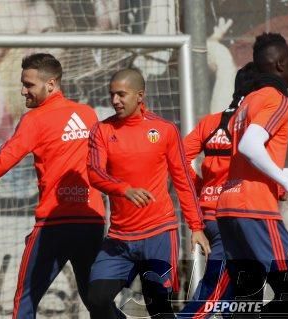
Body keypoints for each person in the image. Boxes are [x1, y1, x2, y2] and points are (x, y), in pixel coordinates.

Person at [0, 53, 107, 319]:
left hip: (53, 226)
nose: (23, 91)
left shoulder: (35, 120)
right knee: (98, 304)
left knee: (25, 304)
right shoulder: (87, 114)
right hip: (91, 222)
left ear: (51, 84)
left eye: (29, 85)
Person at [215, 32, 288, 317]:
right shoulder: (276, 98)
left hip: (231, 207)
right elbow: (249, 147)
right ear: (280, 65)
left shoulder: (248, 102)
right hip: (256, 209)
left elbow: (253, 161)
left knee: (247, 298)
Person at [85, 68, 211, 319]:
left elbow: (183, 181)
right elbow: (94, 172)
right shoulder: (102, 130)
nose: (115, 101)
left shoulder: (164, 130)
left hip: (159, 235)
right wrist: (124, 189)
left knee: (158, 307)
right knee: (96, 300)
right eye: (112, 95)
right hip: (119, 239)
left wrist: (196, 226)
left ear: (140, 95)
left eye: (121, 94)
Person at [179, 62, 259, 318]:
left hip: (214, 215)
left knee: (238, 299)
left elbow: (177, 159)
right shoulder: (252, 126)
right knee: (213, 291)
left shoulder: (211, 122)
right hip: (234, 219)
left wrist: (202, 187)